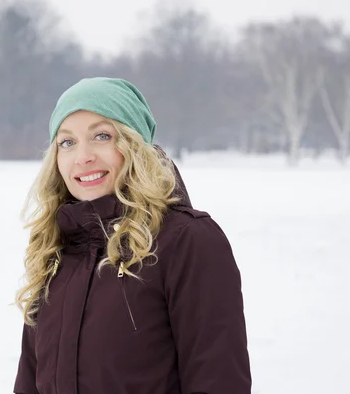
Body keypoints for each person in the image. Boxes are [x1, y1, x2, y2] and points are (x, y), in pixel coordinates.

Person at [13, 77, 251, 394]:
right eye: (67, 142)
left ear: (134, 146)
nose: (82, 156)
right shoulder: (56, 248)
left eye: (101, 136)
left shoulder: (187, 241)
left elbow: (219, 382)